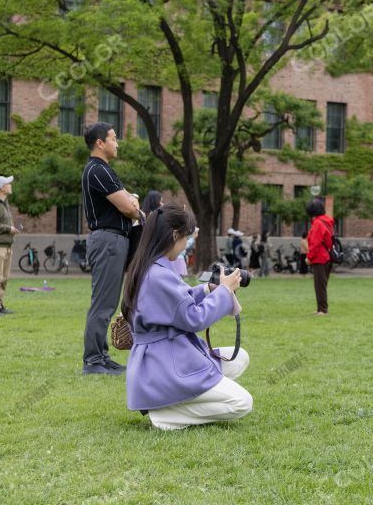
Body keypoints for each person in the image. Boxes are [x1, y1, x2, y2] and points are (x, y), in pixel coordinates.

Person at [122, 204, 252, 430]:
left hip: (164, 359)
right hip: (166, 365)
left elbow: (178, 302)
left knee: (239, 357)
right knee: (242, 403)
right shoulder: (159, 275)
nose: (185, 246)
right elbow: (194, 318)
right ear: (174, 235)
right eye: (186, 238)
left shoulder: (150, 267)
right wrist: (224, 291)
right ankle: (169, 414)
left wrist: (208, 290)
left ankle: (178, 401)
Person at [81, 122, 141, 375]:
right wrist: (132, 203)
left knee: (107, 301)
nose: (117, 143)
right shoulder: (97, 170)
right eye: (114, 139)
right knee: (103, 303)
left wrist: (132, 202)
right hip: (108, 240)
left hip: (114, 239)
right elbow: (130, 207)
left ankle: (102, 357)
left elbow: (131, 201)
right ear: (100, 143)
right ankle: (93, 360)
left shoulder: (104, 170)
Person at [0, 175, 19, 316]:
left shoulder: (5, 204)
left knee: (4, 278)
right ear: (2, 188)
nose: (10, 185)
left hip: (7, 246)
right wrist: (8, 229)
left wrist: (12, 229)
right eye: (8, 183)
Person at [305, 198, 333, 315]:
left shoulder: (317, 223)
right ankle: (320, 308)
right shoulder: (327, 221)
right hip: (327, 256)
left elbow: (315, 243)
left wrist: (309, 257)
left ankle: (322, 309)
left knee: (319, 285)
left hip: (320, 258)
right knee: (322, 284)